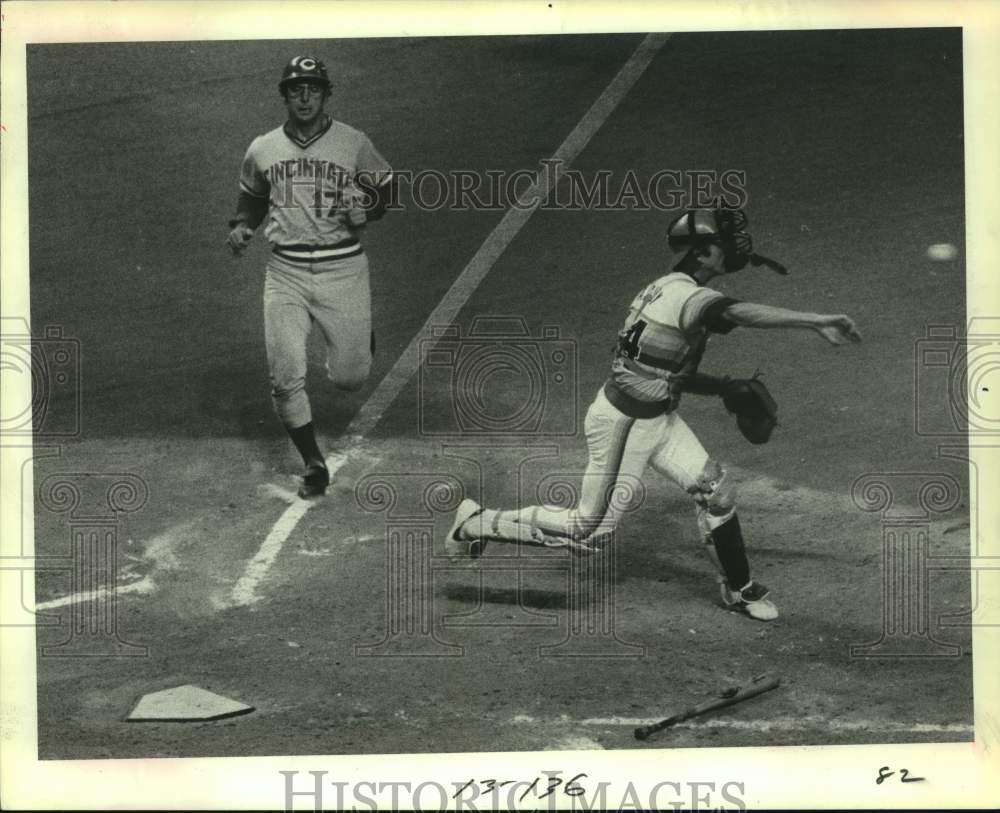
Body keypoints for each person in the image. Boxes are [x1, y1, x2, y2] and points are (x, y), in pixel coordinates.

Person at [445, 208, 862, 621]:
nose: (732, 248)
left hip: (655, 419)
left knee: (716, 491)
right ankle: (476, 522)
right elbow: (737, 313)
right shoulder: (686, 296)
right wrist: (814, 320)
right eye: (721, 242)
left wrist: (721, 387)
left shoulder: (668, 288)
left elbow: (666, 376)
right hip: (625, 424)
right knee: (588, 532)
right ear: (700, 253)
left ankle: (739, 589)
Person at [227, 56, 394, 497]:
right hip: (285, 273)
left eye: (313, 90)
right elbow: (252, 200)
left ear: (325, 94)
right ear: (284, 95)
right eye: (296, 90)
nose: (304, 98)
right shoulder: (262, 148)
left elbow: (385, 189)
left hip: (344, 269)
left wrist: (369, 208)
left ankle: (358, 341)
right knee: (285, 377)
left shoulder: (352, 142)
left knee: (350, 377)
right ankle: (313, 462)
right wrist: (242, 226)